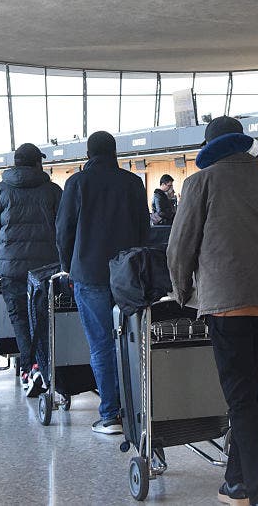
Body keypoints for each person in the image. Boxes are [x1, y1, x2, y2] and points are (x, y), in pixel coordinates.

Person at [168, 116, 258, 506]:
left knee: (239, 400)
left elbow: (179, 248)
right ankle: (235, 483)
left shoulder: (199, 182)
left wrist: (183, 292)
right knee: (247, 394)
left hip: (226, 306)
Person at [56, 131, 148, 435]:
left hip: (89, 274)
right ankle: (137, 411)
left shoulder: (77, 183)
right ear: (114, 151)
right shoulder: (133, 183)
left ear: (88, 153)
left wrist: (68, 266)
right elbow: (144, 229)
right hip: (127, 276)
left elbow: (64, 229)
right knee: (132, 342)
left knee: (101, 345)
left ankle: (110, 414)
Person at [0, 143, 63, 393]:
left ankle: (29, 369)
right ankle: (42, 365)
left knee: (19, 318)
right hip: (46, 267)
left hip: (11, 267)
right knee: (42, 318)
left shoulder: (0, 191)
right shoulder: (52, 190)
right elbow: (63, 228)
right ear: (37, 163)